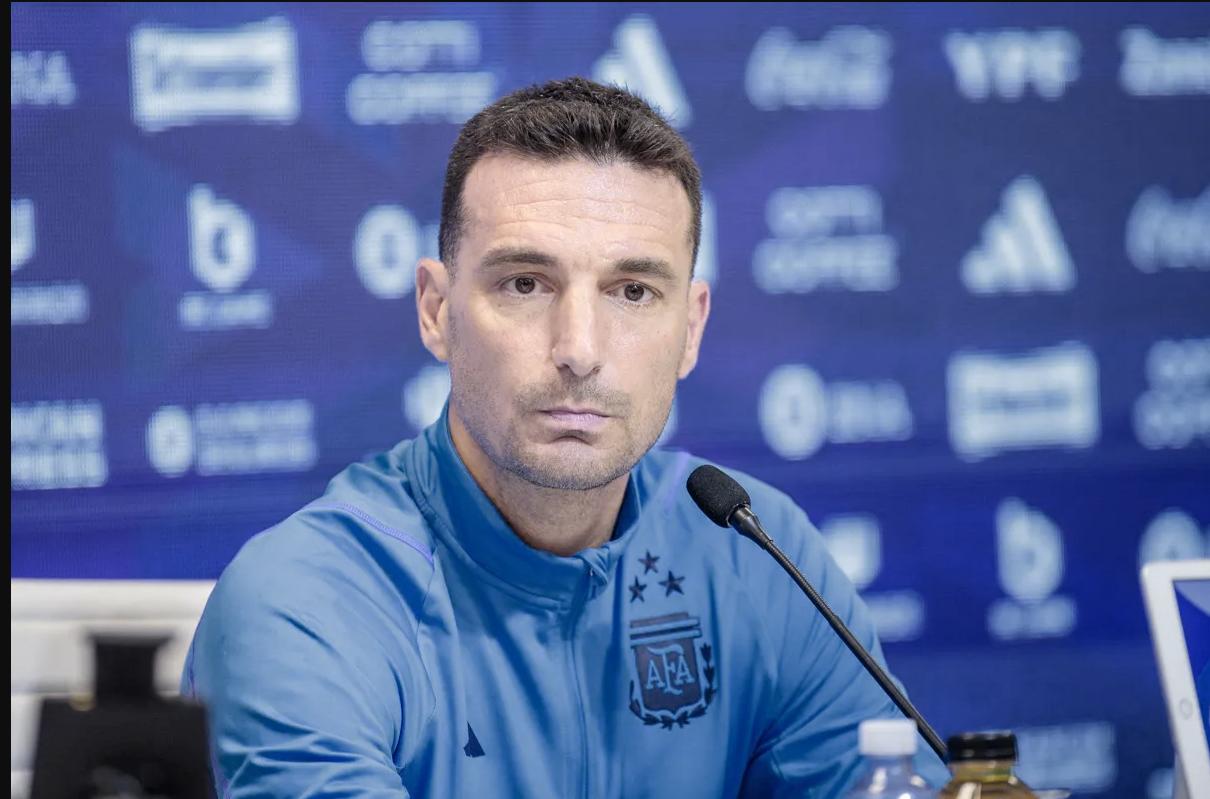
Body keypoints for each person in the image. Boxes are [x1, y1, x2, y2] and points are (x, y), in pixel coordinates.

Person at [183, 76, 948, 798]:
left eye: (633, 291)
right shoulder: (305, 600)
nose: (579, 348)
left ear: (691, 329)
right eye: (525, 283)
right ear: (436, 310)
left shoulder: (756, 554)